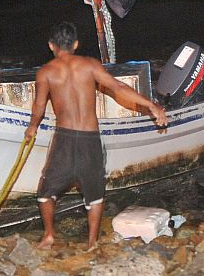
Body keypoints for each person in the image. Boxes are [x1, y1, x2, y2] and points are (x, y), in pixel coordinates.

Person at [24, 22, 168, 251]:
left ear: (51, 45)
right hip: (89, 138)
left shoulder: (46, 72)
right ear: (76, 44)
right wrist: (151, 105)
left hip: (64, 137)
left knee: (46, 192)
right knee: (94, 193)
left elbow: (39, 106)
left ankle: (49, 234)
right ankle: (92, 242)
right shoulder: (90, 65)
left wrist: (32, 127)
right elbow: (118, 87)